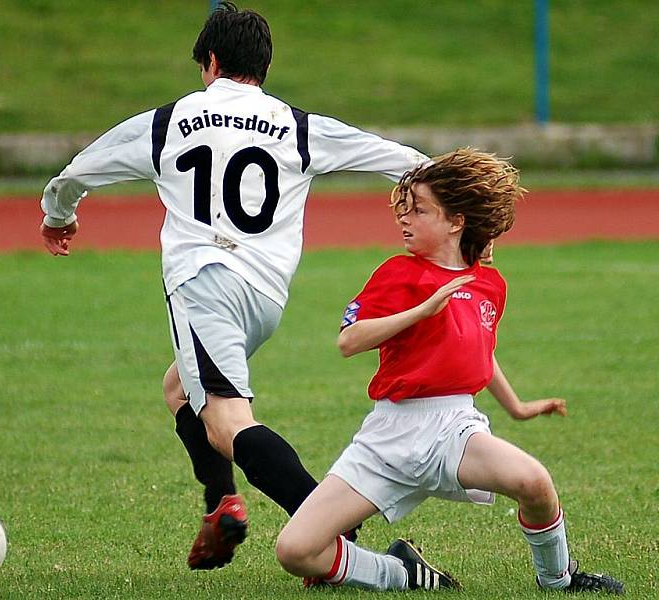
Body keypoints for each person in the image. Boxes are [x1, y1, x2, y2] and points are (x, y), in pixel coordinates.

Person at [39, 2, 428, 571]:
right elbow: (402, 161)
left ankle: (340, 533)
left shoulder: (168, 121)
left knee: (227, 423)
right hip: (266, 300)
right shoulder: (298, 126)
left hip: (205, 284)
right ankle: (220, 503)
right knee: (180, 389)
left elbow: (79, 170)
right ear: (263, 69)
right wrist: (461, 205)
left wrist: (58, 213)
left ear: (211, 61)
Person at [274, 148, 625, 594]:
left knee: (535, 482)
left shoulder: (489, 283)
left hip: (454, 428)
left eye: (419, 211)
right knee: (296, 550)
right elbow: (350, 341)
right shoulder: (398, 273)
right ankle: (404, 573)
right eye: (404, 209)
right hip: (389, 435)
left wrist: (516, 408)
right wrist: (421, 311)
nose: (405, 220)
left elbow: (477, 348)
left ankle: (559, 578)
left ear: (455, 222)